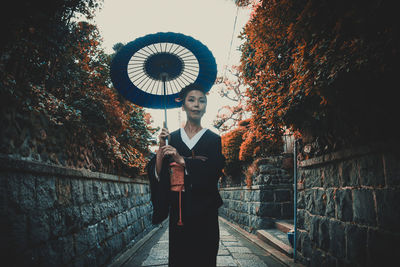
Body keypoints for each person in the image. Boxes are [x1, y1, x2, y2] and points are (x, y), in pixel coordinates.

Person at [147, 83, 225, 267]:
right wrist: (161, 147)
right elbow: (160, 175)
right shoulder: (171, 137)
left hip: (206, 213)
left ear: (205, 107)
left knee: (205, 259)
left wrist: (183, 160)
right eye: (191, 100)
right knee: (180, 260)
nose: (197, 104)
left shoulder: (214, 139)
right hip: (180, 214)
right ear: (183, 105)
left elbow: (214, 172)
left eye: (201, 101)